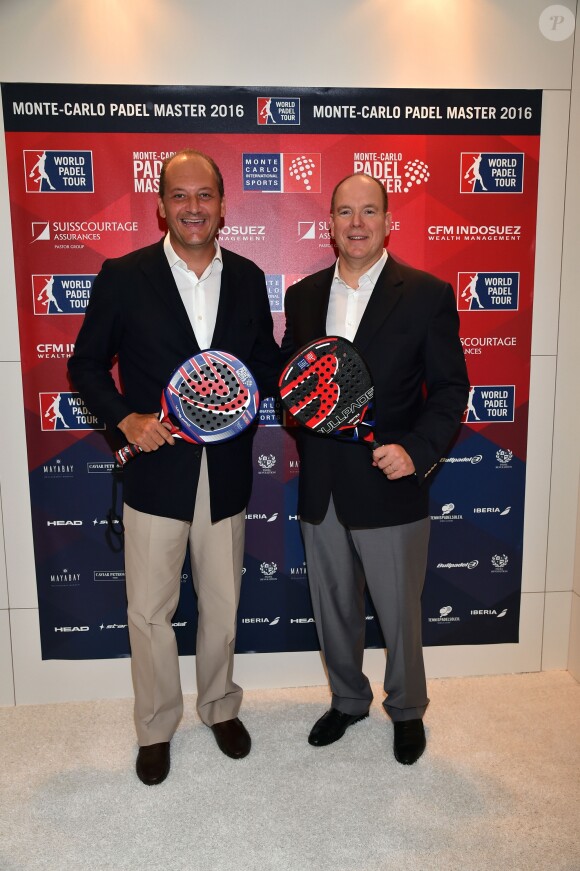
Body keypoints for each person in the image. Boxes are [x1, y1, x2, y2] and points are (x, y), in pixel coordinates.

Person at [68, 149, 280, 785]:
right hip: (157, 470)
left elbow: (262, 363)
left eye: (205, 196)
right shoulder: (124, 274)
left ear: (222, 205)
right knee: (151, 611)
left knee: (222, 602)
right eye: (181, 196)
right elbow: (84, 367)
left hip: (227, 473)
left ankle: (218, 707)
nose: (194, 207)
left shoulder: (246, 277)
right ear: (160, 205)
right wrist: (124, 420)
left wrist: (304, 379)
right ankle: (156, 724)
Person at [281, 173, 469, 764]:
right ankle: (347, 699)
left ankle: (408, 708)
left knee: (398, 610)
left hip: (390, 483)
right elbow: (297, 384)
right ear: (329, 223)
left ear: (388, 221)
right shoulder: (304, 295)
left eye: (368, 211)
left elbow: (449, 389)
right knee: (332, 606)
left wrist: (416, 449)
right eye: (344, 212)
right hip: (322, 484)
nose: (356, 223)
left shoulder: (427, 293)